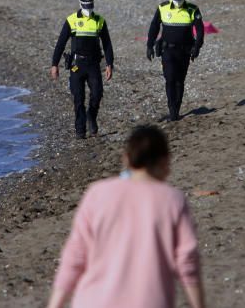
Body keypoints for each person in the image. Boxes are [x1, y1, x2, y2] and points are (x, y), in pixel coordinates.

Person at [48, 125, 205, 308]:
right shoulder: (173, 201)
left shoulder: (97, 193)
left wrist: (55, 304)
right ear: (165, 162)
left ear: (126, 159)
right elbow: (187, 261)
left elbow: (75, 256)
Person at [50, 0, 115, 139]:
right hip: (76, 65)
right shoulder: (71, 20)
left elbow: (107, 44)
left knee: (97, 93)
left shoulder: (99, 20)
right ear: (80, 4)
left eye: (90, 6)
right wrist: (55, 64)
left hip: (93, 64)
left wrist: (110, 64)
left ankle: (91, 116)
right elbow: (60, 43)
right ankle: (80, 129)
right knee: (78, 97)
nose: (88, 8)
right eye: (86, 6)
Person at [146, 0, 204, 122]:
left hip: (184, 51)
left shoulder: (193, 9)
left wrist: (197, 47)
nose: (178, 0)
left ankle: (176, 109)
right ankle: (172, 109)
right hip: (168, 50)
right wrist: (149, 45)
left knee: (180, 81)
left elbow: (200, 30)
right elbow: (154, 26)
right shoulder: (163, 7)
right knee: (170, 79)